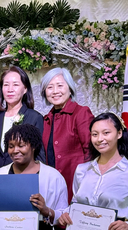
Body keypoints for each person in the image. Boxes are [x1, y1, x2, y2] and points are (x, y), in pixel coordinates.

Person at [39, 67, 93, 201]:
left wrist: (85, 183)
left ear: (70, 88)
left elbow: (91, 151)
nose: (55, 91)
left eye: (60, 85)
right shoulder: (46, 119)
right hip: (51, 187)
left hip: (76, 185)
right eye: (50, 87)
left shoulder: (81, 113)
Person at [0, 66, 44, 173]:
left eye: (15, 84)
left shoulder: (35, 117)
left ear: (25, 89)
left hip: (23, 178)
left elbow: (40, 156)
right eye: (6, 85)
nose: (10, 89)